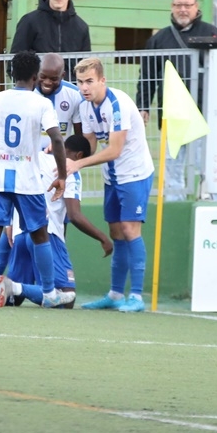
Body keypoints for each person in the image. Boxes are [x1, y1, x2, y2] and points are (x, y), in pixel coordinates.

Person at [0, 134, 112, 308]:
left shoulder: (36, 159)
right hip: (45, 235)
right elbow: (75, 215)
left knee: (14, 299)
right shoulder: (69, 172)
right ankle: (11, 286)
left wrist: (10, 224)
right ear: (79, 156)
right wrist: (103, 238)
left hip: (20, 234)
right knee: (66, 298)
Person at [0, 50, 69, 309]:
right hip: (28, 180)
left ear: (11, 74)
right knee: (40, 234)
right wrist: (61, 176)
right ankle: (49, 293)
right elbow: (57, 139)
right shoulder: (41, 104)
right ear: (36, 77)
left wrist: (4, 149)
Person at [68, 57, 155, 312]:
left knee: (130, 230)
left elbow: (115, 150)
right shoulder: (85, 106)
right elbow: (91, 144)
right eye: (80, 82)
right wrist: (67, 154)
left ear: (102, 80)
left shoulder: (117, 105)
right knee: (117, 233)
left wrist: (78, 165)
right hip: (113, 176)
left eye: (90, 81)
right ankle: (116, 295)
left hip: (134, 174)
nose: (84, 87)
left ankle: (137, 297)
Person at [135, 0, 217, 201]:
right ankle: (175, 211)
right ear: (172, 7)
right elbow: (147, 75)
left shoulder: (212, 34)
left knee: (208, 169)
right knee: (173, 173)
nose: (183, 9)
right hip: (173, 116)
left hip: (206, 114)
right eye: (178, 5)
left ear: (197, 8)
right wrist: (143, 106)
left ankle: (214, 208)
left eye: (187, 5)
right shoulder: (159, 39)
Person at [10, 0, 91, 78]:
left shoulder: (81, 27)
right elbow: (15, 59)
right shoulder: (29, 21)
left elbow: (85, 65)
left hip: (69, 89)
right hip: (36, 88)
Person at [35, 52, 84, 150]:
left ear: (62, 75)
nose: (47, 82)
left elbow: (79, 135)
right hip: (32, 159)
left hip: (60, 159)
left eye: (53, 79)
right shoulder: (28, 92)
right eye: (43, 77)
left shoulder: (74, 94)